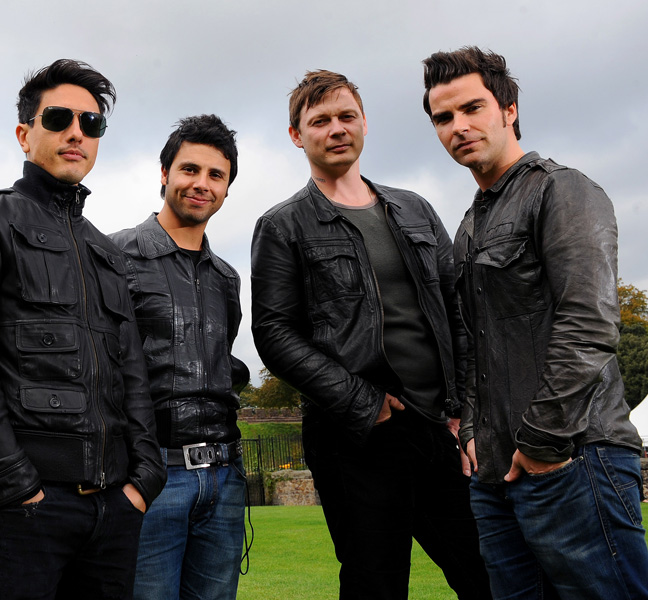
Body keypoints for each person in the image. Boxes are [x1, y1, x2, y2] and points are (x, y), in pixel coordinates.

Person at [0, 58, 166, 600]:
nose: (76, 133)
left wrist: (143, 479)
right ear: (24, 133)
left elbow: (133, 375)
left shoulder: (106, 251)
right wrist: (13, 485)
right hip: (24, 510)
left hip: (113, 509)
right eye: (59, 118)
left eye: (92, 123)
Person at [250, 70, 490, 600]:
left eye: (346, 116)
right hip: (356, 435)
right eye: (320, 121)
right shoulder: (283, 225)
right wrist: (364, 402)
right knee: (375, 584)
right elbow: (273, 332)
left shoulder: (415, 209)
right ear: (297, 135)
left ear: (364, 124)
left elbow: (459, 313)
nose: (336, 129)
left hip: (437, 427)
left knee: (489, 574)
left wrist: (464, 411)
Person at [422, 46, 648, 599]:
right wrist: (473, 431)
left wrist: (544, 442)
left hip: (575, 458)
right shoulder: (470, 226)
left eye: (473, 108)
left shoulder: (562, 190)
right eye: (443, 118)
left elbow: (589, 324)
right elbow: (472, 345)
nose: (460, 126)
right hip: (495, 475)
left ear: (509, 109)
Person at [110, 114, 249, 600]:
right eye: (190, 169)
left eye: (216, 175)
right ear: (165, 173)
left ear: (227, 189)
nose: (201, 184)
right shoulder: (113, 256)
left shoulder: (226, 277)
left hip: (225, 478)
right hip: (152, 477)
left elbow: (222, 361)